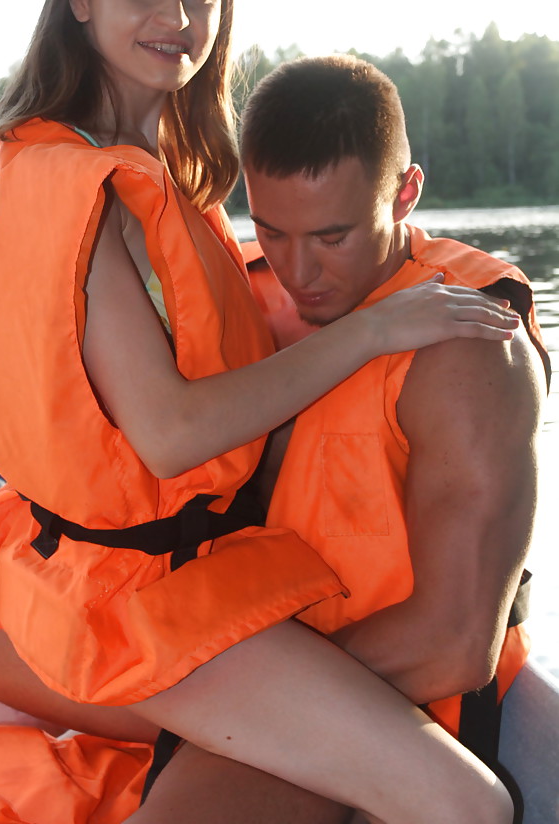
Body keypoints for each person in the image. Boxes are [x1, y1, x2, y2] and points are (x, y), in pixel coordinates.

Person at [0, 0, 518, 824]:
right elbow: (172, 435)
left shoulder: (156, 173)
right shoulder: (84, 186)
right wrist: (379, 328)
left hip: (127, 576)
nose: (175, 19)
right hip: (135, 602)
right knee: (468, 806)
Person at [130, 54, 549, 824]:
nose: (298, 270)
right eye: (271, 231)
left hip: (391, 695)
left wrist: (237, 705)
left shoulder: (469, 351)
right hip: (221, 650)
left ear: (406, 193)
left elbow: (453, 644)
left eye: (333, 236)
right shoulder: (241, 299)